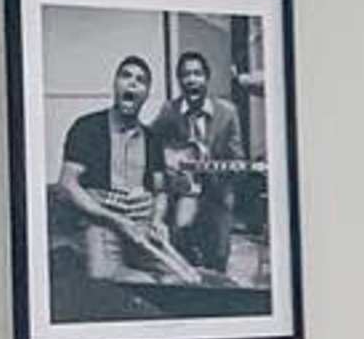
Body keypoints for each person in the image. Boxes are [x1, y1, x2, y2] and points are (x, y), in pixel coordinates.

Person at [57, 53, 203, 295]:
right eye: (126, 76)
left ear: (146, 93)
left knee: (183, 280)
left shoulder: (152, 139)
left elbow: (160, 192)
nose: (133, 83)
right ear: (116, 84)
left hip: (140, 226)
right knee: (105, 282)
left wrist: (157, 219)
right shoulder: (86, 127)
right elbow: (67, 184)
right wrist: (115, 219)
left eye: (141, 80)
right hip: (102, 223)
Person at [158, 45, 248, 284]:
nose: (191, 80)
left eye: (197, 74)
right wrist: (170, 161)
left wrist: (216, 169)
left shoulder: (228, 113)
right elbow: (150, 143)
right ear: (179, 81)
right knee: (180, 241)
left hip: (216, 193)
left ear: (207, 79)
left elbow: (238, 160)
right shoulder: (170, 110)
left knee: (217, 255)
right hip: (183, 193)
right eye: (185, 75)